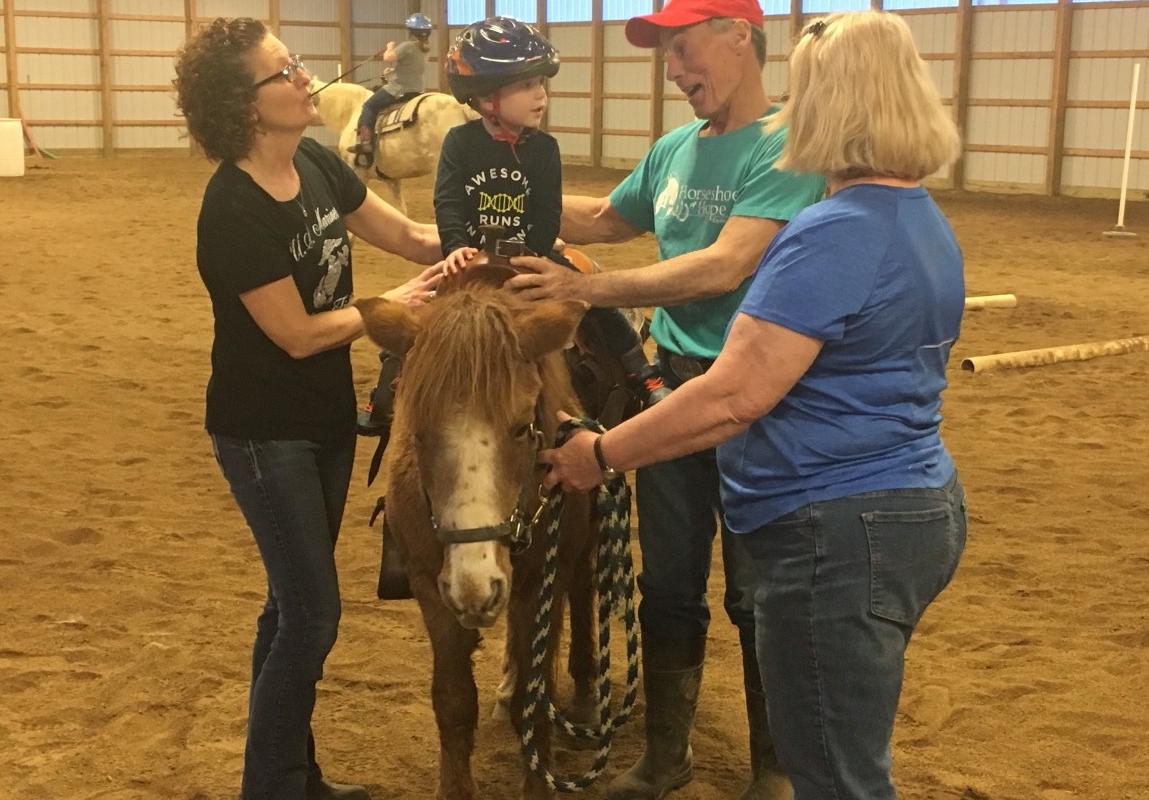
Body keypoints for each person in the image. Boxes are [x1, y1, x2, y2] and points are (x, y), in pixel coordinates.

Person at [538, 11, 968, 800]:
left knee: (837, 773)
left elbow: (735, 394)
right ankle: (695, 756)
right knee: (841, 748)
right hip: (908, 500)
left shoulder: (829, 234)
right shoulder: (922, 221)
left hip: (834, 521)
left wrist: (599, 454)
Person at [506, 0, 825, 798]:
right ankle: (665, 756)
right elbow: (607, 217)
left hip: (761, 403)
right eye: (666, 57)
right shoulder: (676, 149)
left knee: (760, 593)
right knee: (669, 585)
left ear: (739, 38)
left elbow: (725, 265)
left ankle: (774, 769)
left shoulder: (790, 147)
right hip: (678, 389)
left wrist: (588, 288)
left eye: (683, 51)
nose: (674, 72)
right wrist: (490, 202)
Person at [173, 17, 443, 800]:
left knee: (288, 608)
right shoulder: (233, 207)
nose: (304, 79)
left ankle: (290, 777)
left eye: (297, 64)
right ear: (245, 104)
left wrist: (486, 236)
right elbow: (294, 334)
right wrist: (389, 308)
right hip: (264, 433)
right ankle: (274, 787)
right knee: (312, 616)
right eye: (284, 71)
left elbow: (406, 234)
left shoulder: (319, 165)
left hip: (325, 423)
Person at [357, 16, 670, 440]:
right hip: (471, 254)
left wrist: (538, 251)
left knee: (590, 296)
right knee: (419, 317)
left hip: (530, 253)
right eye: (526, 86)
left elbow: (547, 209)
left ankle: (641, 371)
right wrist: (454, 248)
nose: (540, 95)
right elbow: (448, 201)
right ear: (486, 97)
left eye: (541, 83)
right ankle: (386, 393)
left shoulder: (545, 149)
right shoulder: (460, 143)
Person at [347, 12, 433, 165]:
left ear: (411, 31)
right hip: (417, 90)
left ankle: (365, 142)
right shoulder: (425, 50)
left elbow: (388, 57)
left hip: (399, 89)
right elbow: (412, 69)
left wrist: (389, 47)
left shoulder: (407, 45)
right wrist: (392, 72)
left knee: (369, 105)